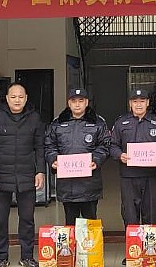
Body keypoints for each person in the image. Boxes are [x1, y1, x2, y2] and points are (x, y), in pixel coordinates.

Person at [0, 83, 46, 267]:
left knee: (27, 219)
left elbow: (40, 148)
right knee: (0, 220)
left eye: (20, 97)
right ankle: (1, 258)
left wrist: (40, 171)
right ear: (7, 99)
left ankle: (27, 256)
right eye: (13, 97)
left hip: (27, 175)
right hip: (1, 175)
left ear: (26, 98)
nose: (17, 100)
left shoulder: (34, 118)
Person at [110, 88, 156, 251]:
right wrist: (119, 155)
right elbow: (112, 145)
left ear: (148, 103)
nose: (138, 105)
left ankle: (152, 252)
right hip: (128, 176)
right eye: (135, 101)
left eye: (142, 101)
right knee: (130, 214)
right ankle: (133, 252)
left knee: (151, 213)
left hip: (151, 176)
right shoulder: (121, 123)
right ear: (130, 103)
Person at [44, 87, 111, 225]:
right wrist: (53, 159)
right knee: (70, 225)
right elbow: (49, 145)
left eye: (81, 101)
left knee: (90, 223)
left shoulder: (98, 122)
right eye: (74, 101)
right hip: (67, 185)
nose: (77, 104)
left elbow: (105, 145)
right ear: (69, 103)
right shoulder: (57, 123)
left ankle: (90, 241)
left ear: (86, 102)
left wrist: (96, 160)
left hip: (89, 184)